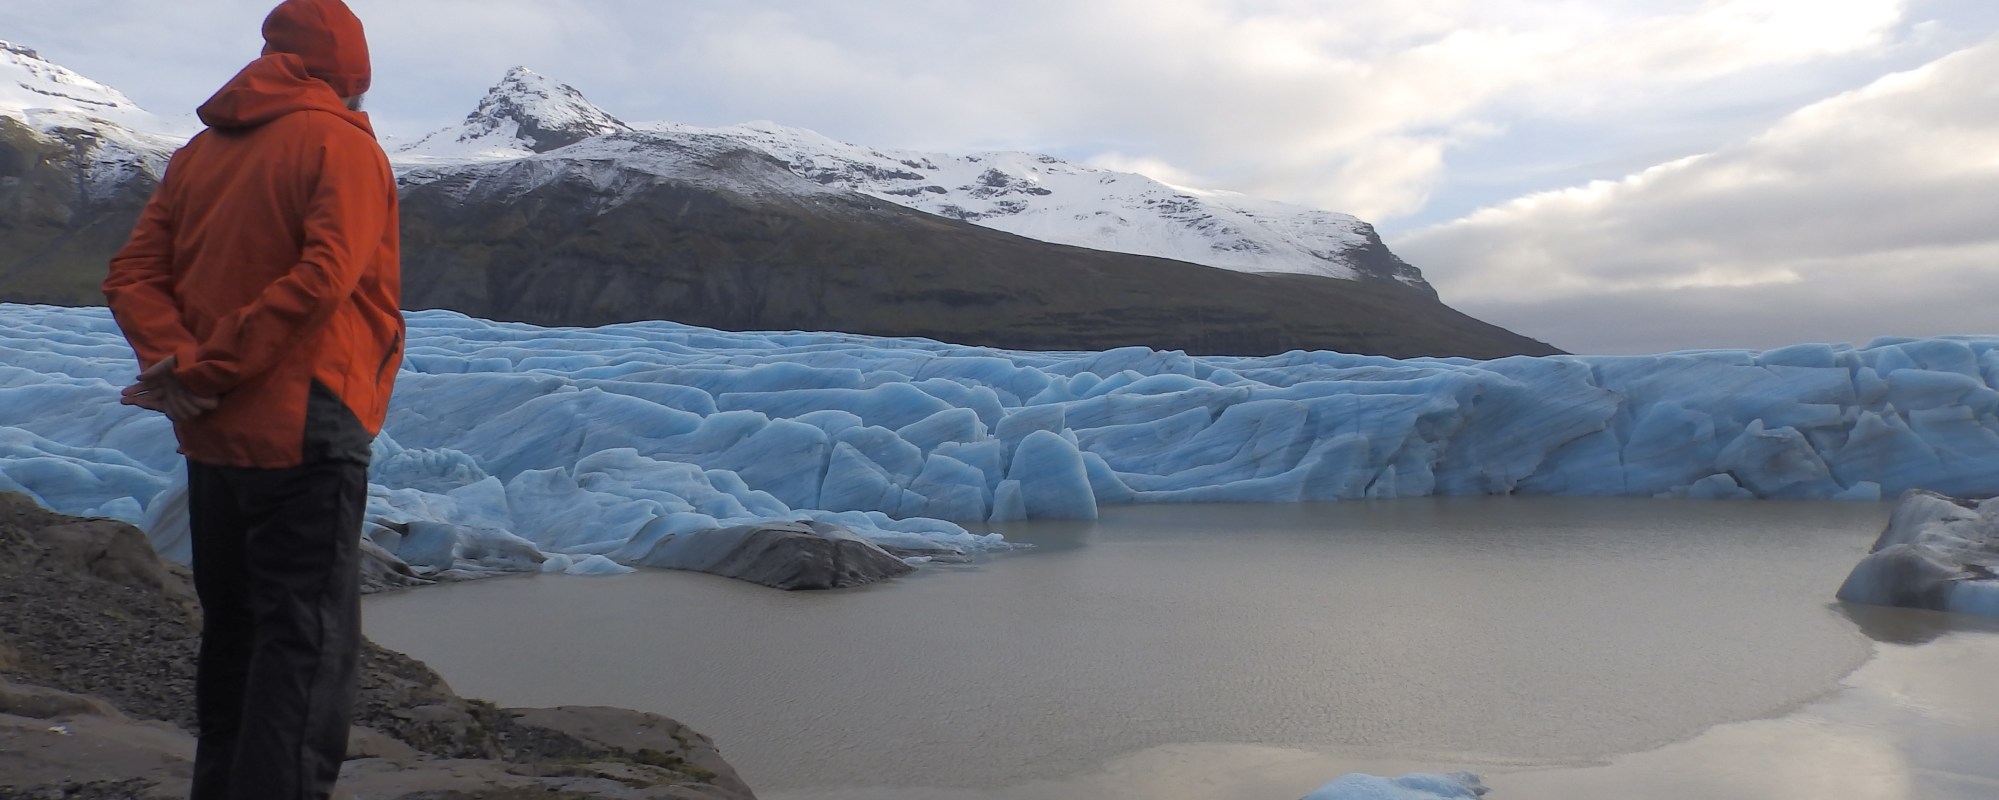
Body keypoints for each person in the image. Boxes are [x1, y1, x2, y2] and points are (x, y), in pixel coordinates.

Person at [100, 0, 401, 797]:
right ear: (351, 69)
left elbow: (131, 274)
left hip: (213, 436)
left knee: (234, 632)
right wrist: (206, 370)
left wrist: (179, 363)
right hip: (306, 420)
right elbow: (322, 281)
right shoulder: (343, 145)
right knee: (303, 644)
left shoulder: (198, 153)